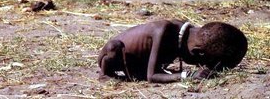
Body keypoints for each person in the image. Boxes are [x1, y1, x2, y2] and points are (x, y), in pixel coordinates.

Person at [98, 19, 248, 83]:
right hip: (115, 56)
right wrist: (186, 75)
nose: (200, 67)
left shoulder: (188, 34)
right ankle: (105, 75)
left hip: (138, 64)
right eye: (201, 63)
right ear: (197, 52)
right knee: (114, 48)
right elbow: (152, 76)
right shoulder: (163, 31)